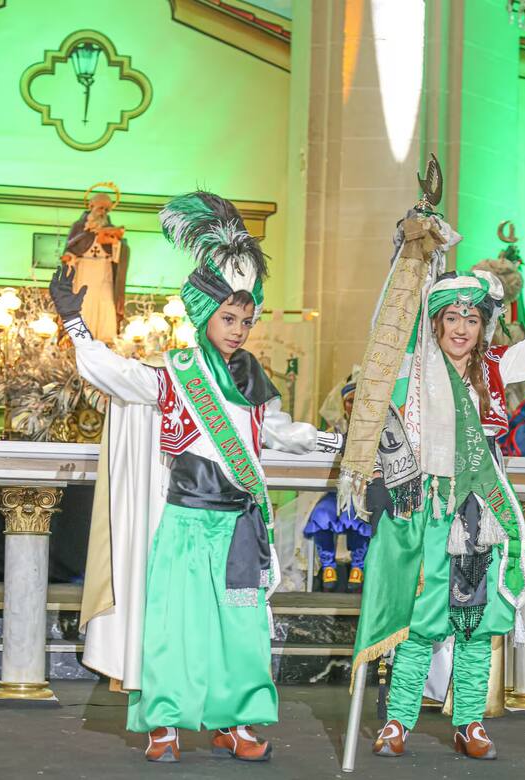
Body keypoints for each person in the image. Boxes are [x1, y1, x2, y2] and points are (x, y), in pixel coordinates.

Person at [49, 191, 342, 764]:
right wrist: (74, 323)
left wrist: (342, 441)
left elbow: (281, 433)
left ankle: (234, 724)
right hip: (185, 524)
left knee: (242, 631)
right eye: (228, 318)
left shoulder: (252, 378)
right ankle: (163, 725)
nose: (238, 329)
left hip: (238, 530)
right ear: (206, 315)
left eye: (246, 319)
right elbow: (114, 374)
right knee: (176, 628)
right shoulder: (175, 373)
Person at [341, 212, 525, 760]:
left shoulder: (495, 369)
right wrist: (412, 248)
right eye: (451, 318)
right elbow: (384, 327)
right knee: (418, 620)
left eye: (471, 319)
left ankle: (469, 723)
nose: (461, 328)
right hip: (426, 510)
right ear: (435, 323)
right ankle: (398, 723)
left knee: (477, 622)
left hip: (479, 511)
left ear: (484, 326)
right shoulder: (413, 369)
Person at [303, 378, 371, 592]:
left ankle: (358, 567)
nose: (352, 405)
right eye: (349, 401)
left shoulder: (372, 430)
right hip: (334, 492)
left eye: (357, 400)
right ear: (343, 403)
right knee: (321, 514)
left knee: (360, 514)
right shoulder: (334, 429)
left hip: (361, 494)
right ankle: (328, 566)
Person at [61, 189, 129, 343]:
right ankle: (81, 337)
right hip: (85, 270)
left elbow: (120, 254)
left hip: (104, 271)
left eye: (106, 209)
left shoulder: (111, 228)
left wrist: (116, 243)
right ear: (91, 206)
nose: (102, 212)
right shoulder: (79, 227)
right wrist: (69, 258)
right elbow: (71, 249)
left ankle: (104, 339)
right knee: (84, 303)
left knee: (105, 304)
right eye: (100, 208)